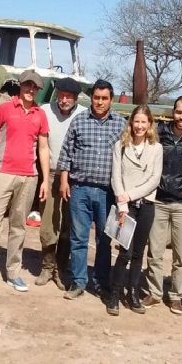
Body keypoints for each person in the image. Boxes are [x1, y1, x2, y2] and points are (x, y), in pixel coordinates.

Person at [0, 69, 50, 293]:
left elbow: (43, 148)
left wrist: (44, 180)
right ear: (20, 85)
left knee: (18, 227)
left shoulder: (40, 114)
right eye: (27, 85)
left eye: (35, 87)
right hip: (2, 173)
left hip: (28, 177)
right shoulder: (5, 108)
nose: (30, 90)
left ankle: (13, 273)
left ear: (38, 90)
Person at [57, 79, 126, 300]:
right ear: (92, 98)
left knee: (104, 240)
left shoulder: (121, 124)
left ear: (111, 100)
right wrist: (64, 181)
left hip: (107, 192)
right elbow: (66, 152)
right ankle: (78, 282)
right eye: (96, 98)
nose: (99, 102)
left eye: (104, 98)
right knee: (78, 238)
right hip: (80, 189)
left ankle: (101, 282)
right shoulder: (79, 121)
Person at [144, 95, 182, 314]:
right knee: (155, 251)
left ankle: (177, 296)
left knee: (181, 254)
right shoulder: (159, 134)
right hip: (158, 200)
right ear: (173, 112)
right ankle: (154, 292)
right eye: (179, 112)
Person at [106, 105, 163, 315]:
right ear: (131, 123)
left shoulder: (156, 148)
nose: (139, 126)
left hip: (146, 205)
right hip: (125, 207)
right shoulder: (121, 146)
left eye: (143, 122)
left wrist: (131, 194)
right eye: (136, 122)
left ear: (149, 124)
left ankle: (133, 293)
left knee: (139, 253)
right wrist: (123, 203)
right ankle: (114, 294)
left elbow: (154, 179)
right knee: (124, 252)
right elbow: (116, 176)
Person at [36, 77, 87, 289]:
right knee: (48, 222)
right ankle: (47, 266)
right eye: (62, 95)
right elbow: (42, 144)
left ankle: (60, 267)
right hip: (50, 172)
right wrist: (45, 178)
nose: (64, 99)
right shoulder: (45, 111)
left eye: (69, 96)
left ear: (76, 98)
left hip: (74, 177)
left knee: (68, 224)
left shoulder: (83, 114)